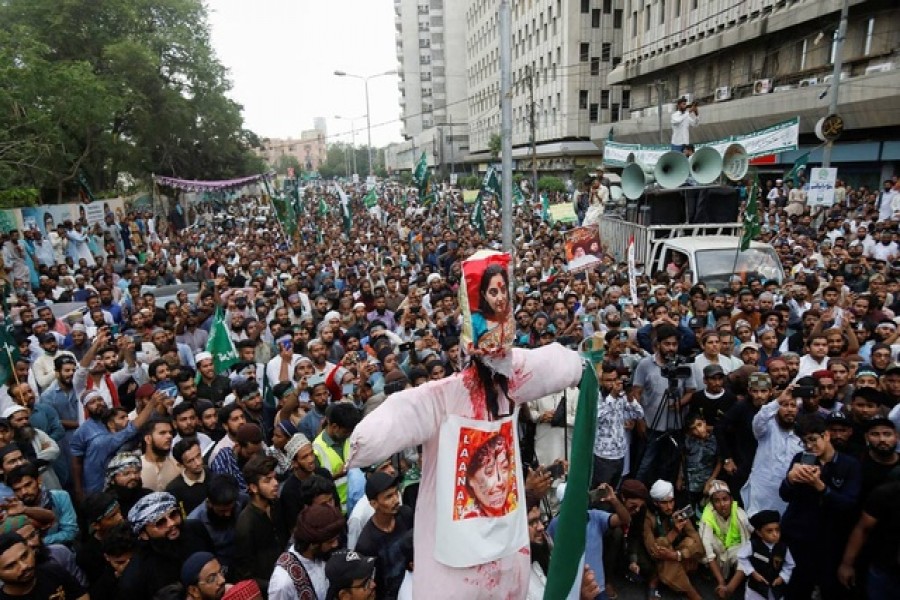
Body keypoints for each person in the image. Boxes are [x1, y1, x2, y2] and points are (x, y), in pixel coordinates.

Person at [779, 414, 860, 600]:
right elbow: (785, 495)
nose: (809, 446)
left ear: (826, 436)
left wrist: (820, 487)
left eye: (813, 440)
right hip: (798, 536)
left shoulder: (849, 465)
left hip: (830, 541)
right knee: (796, 589)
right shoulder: (801, 459)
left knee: (830, 589)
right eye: (804, 441)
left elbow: (848, 504)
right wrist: (790, 480)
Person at [740, 386, 802, 516]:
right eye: (785, 405)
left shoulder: (802, 434)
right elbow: (759, 420)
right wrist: (778, 400)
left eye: (793, 405)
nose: (789, 409)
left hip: (788, 495)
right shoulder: (767, 428)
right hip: (763, 493)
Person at [355, 472, 414, 599]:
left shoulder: (406, 515)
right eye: (388, 497)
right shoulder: (366, 543)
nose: (396, 500)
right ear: (374, 504)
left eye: (396, 493)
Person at [269, 503, 345, 600]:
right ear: (313, 544)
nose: (335, 544)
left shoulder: (323, 555)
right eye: (330, 541)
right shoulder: (283, 581)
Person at [642, 479, 703, 600]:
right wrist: (674, 532)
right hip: (652, 560)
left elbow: (699, 545)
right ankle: (692, 593)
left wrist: (677, 555)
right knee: (662, 547)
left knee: (690, 543)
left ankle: (657, 582)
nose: (669, 507)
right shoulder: (649, 518)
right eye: (664, 503)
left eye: (671, 502)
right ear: (656, 503)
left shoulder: (678, 514)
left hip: (674, 556)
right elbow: (654, 552)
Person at [697, 480, 752, 598]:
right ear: (711, 503)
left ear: (731, 500)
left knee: (744, 556)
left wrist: (728, 589)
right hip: (718, 549)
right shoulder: (707, 515)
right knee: (703, 546)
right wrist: (721, 582)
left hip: (734, 549)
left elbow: (747, 551)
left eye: (725, 499)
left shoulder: (740, 516)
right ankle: (718, 577)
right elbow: (708, 551)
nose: (722, 504)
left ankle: (731, 586)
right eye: (717, 501)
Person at [0, 531, 87, 600]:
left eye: (24, 556)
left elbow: (80, 595)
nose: (24, 566)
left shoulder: (52, 571)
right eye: (11, 566)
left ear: (31, 550)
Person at [470, 263, 514, 353]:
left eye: (503, 290)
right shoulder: (475, 321)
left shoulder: (510, 314)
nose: (500, 298)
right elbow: (467, 351)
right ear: (484, 295)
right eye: (493, 292)